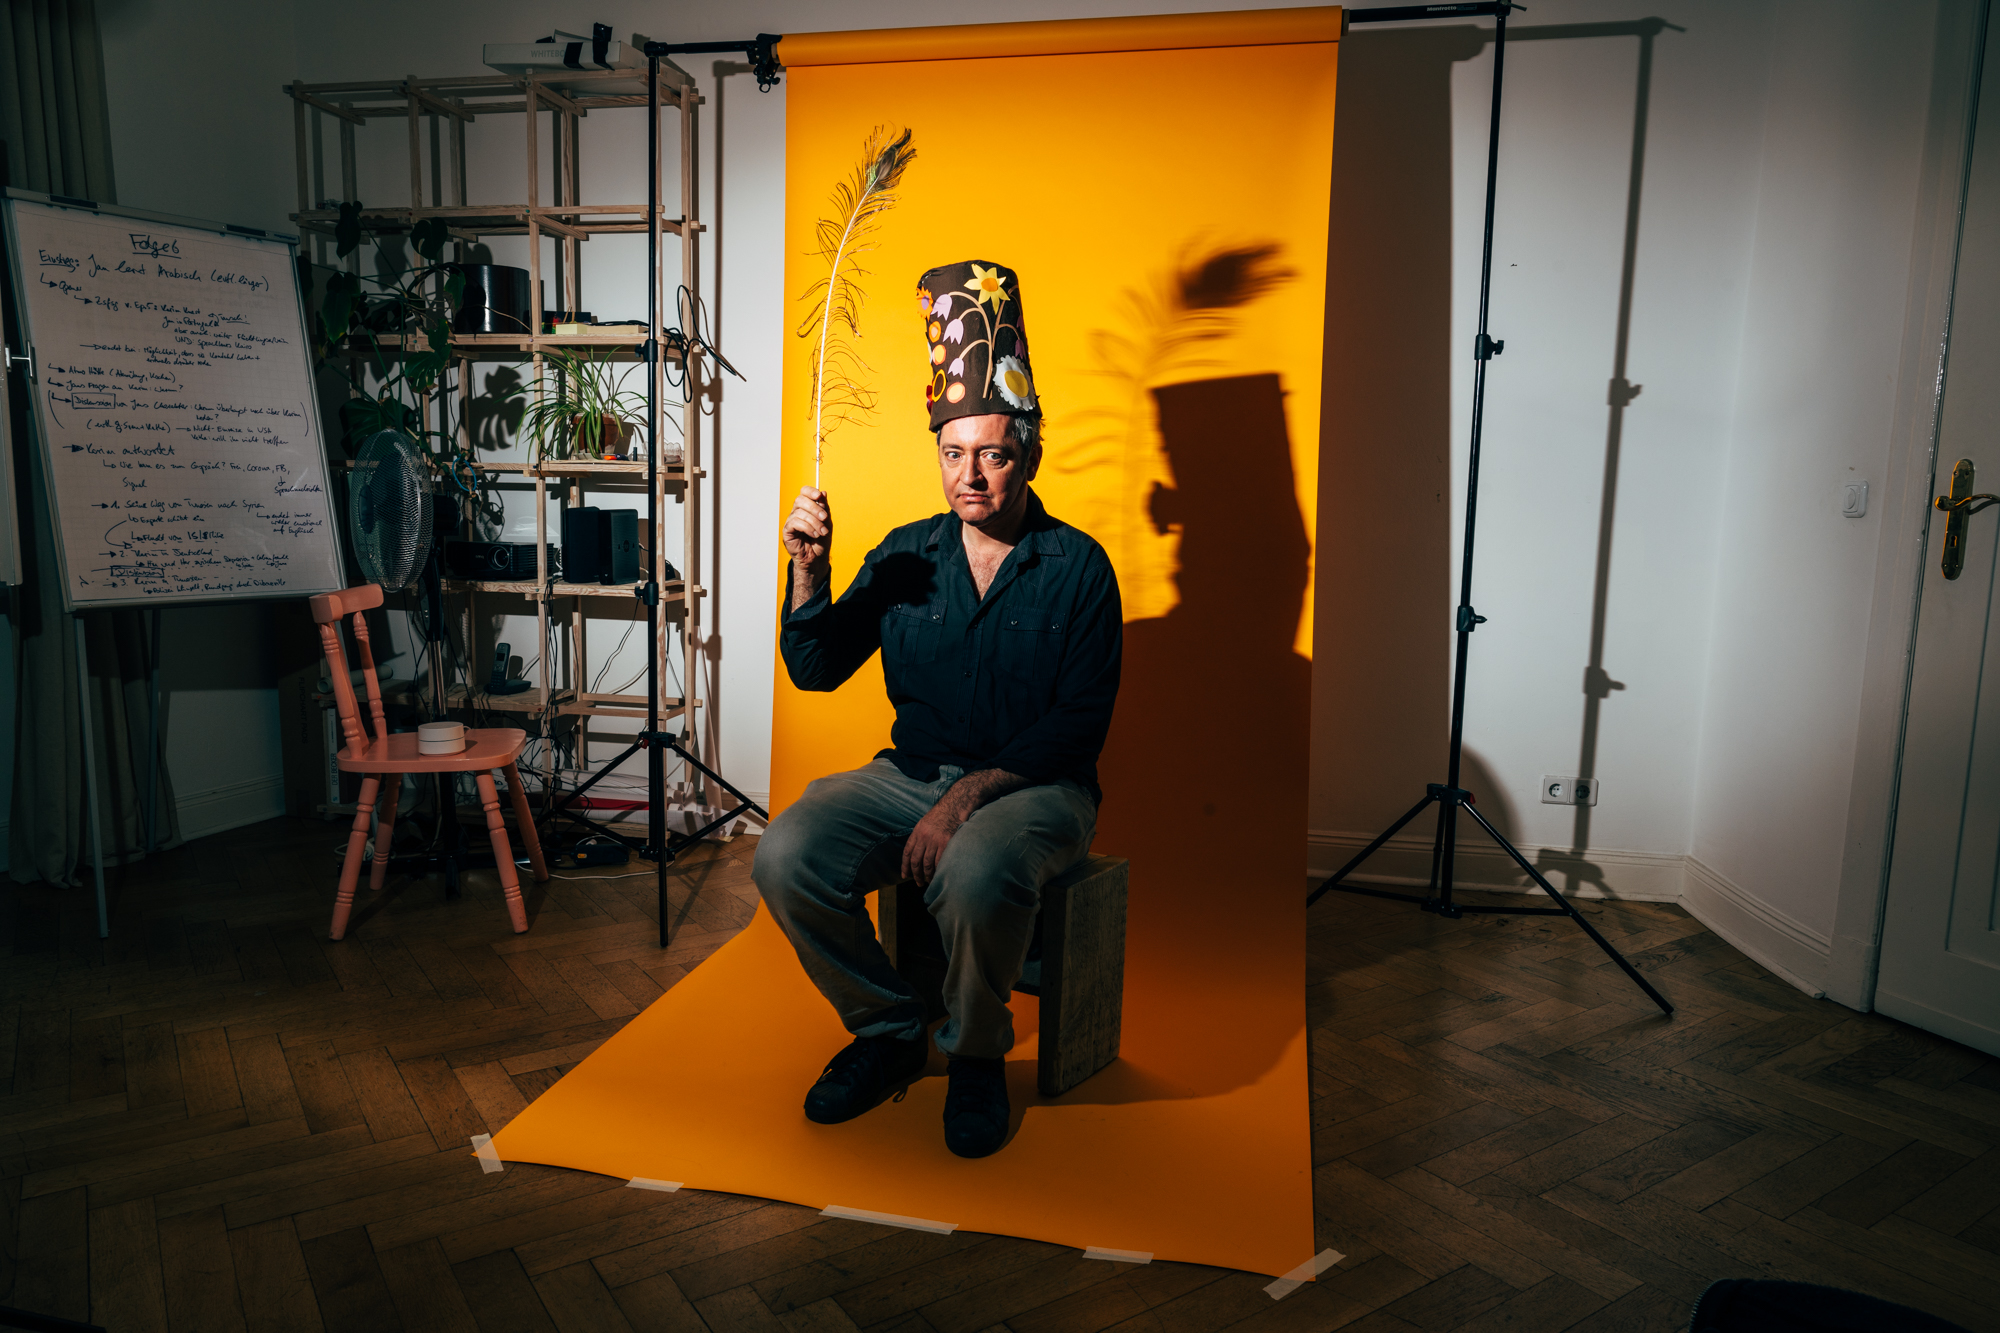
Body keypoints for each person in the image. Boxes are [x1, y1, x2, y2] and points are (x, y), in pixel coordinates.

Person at [754, 260, 1122, 1158]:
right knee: (785, 853)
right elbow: (816, 667)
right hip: (910, 774)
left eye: (993, 454)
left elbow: (1079, 723)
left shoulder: (1079, 566)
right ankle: (887, 1028)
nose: (972, 476)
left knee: (975, 865)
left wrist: (964, 801)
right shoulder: (904, 555)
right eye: (954, 454)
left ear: (1029, 453)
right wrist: (808, 571)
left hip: (1038, 790)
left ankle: (975, 1054)